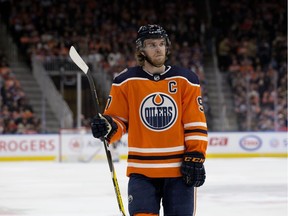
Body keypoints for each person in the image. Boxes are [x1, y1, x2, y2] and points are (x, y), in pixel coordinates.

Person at [91, 24, 208, 216]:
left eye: (162, 44)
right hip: (142, 172)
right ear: (141, 49)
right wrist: (107, 127)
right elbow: (119, 121)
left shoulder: (186, 79)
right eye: (152, 44)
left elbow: (195, 122)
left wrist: (196, 156)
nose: (158, 48)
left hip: (179, 172)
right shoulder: (125, 82)